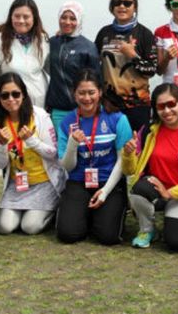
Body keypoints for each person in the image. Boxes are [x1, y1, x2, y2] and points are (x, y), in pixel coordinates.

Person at [122, 83, 178, 251]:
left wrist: (170, 193)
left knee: (176, 243)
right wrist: (128, 154)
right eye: (161, 106)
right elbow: (130, 171)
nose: (167, 111)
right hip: (155, 190)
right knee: (138, 188)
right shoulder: (148, 130)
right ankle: (147, 230)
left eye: (171, 104)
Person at [56, 69, 132, 245]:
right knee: (68, 235)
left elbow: (122, 160)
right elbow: (67, 166)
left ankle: (111, 209)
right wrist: (72, 144)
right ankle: (85, 214)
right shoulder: (67, 122)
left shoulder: (117, 118)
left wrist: (105, 192)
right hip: (78, 181)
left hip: (109, 182)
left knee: (108, 237)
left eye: (91, 92)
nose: (87, 98)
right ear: (74, 94)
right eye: (81, 93)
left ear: (99, 92)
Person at [0, 72, 65, 235]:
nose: (11, 99)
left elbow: (53, 154)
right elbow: (0, 164)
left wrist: (32, 141)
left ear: (24, 94)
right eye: (5, 95)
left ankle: (53, 210)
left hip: (44, 183)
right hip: (17, 185)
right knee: (5, 227)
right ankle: (30, 212)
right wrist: (3, 145)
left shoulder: (39, 116)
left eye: (16, 94)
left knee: (29, 227)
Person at [95, 0, 157, 131]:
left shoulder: (145, 34)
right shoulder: (104, 33)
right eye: (117, 3)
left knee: (136, 149)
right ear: (112, 7)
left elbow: (151, 70)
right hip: (109, 105)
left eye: (127, 3)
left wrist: (133, 55)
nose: (122, 6)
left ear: (135, 7)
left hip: (137, 106)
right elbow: (94, 65)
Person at [0, 0, 49, 108]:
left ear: (34, 18)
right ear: (10, 17)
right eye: (17, 16)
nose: (21, 21)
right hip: (11, 106)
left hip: (39, 106)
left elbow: (51, 70)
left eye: (26, 17)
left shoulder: (42, 40)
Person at [47, 1, 101, 132]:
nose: (67, 22)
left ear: (79, 20)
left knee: (85, 149)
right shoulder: (52, 42)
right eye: (63, 17)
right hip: (58, 111)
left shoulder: (88, 46)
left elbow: (97, 79)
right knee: (62, 150)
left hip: (84, 109)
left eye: (72, 18)